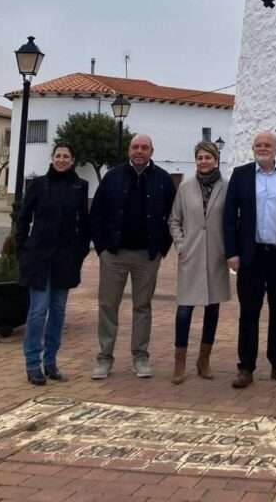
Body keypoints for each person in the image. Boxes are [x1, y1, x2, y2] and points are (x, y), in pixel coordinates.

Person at [223, 130, 276, 389]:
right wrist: (232, 252)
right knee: (249, 312)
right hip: (251, 255)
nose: (262, 148)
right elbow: (228, 217)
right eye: (258, 145)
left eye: (267, 144)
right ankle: (246, 367)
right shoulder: (241, 175)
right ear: (253, 149)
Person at [89, 133, 175, 379]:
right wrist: (102, 248)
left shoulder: (163, 180)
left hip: (147, 257)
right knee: (107, 306)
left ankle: (140, 357)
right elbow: (96, 214)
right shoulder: (112, 177)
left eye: (144, 147)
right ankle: (104, 358)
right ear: (129, 150)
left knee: (143, 307)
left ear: (152, 151)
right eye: (135, 147)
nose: (139, 151)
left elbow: (173, 216)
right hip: (114, 255)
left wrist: (161, 248)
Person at [16, 142, 90, 386]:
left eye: (66, 156)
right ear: (52, 158)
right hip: (39, 258)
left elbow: (84, 223)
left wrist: (79, 252)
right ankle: (32, 364)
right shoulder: (38, 185)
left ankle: (50, 362)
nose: (61, 159)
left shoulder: (80, 186)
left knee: (57, 312)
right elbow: (24, 218)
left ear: (72, 160)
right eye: (58, 155)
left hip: (65, 260)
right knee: (38, 312)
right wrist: (23, 249)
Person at [168, 140, 230, 384]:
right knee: (184, 310)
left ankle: (204, 360)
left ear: (216, 160)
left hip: (216, 255)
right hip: (191, 255)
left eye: (208, 157)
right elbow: (174, 220)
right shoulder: (185, 187)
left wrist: (228, 249)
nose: (204, 162)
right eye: (200, 158)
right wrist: (181, 245)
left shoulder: (226, 187)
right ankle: (179, 362)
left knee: (212, 309)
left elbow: (232, 221)